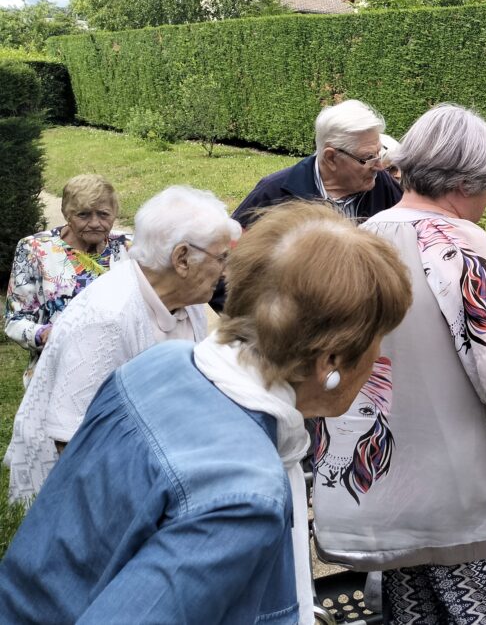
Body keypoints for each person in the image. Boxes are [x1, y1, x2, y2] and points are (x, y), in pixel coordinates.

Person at [0, 201, 413, 624]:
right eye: (377, 339)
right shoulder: (244, 492)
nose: (380, 357)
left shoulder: (160, 364)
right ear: (330, 361)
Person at [312, 104, 486, 624]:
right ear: (463, 183)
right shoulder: (462, 248)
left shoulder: (360, 241)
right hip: (459, 512)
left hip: (385, 505)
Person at [3, 186, 239, 503]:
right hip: (84, 494)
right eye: (222, 257)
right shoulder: (108, 319)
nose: (226, 270)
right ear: (182, 258)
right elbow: (72, 443)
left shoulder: (190, 299)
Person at [209, 99, 402, 312]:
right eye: (368, 158)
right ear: (331, 158)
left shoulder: (382, 186)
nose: (378, 165)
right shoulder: (273, 195)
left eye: (379, 153)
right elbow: (220, 271)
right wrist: (264, 328)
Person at [5, 174, 129, 386]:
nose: (95, 223)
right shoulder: (34, 249)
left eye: (104, 214)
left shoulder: (127, 247)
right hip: (58, 374)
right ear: (67, 214)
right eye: (83, 215)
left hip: (118, 373)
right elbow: (14, 321)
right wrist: (44, 334)